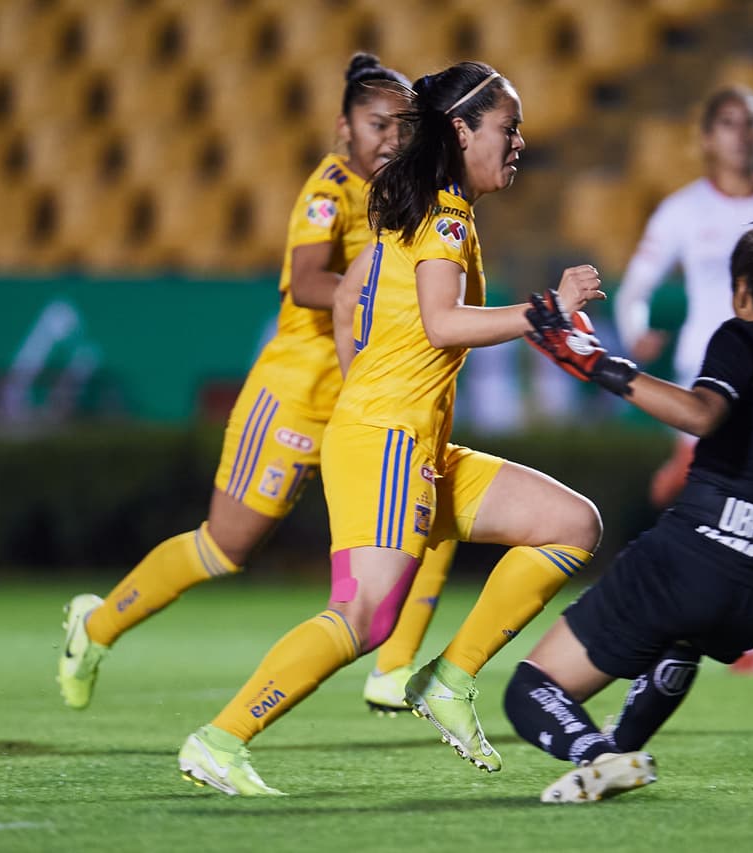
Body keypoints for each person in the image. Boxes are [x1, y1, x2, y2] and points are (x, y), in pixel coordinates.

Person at [176, 61, 607, 796]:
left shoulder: (426, 208)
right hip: (387, 441)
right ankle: (220, 738)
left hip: (411, 442)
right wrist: (546, 311)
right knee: (366, 617)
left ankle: (451, 677)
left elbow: (362, 307)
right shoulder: (442, 214)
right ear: (463, 130)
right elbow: (441, 323)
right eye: (509, 128)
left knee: (571, 524)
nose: (520, 142)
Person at [52, 54, 468, 710]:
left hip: (368, 402)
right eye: (376, 124)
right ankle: (96, 624)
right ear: (343, 128)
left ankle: (393, 671)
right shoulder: (329, 189)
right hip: (296, 397)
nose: (390, 137)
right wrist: (384, 298)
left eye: (402, 125)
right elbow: (306, 282)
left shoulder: (404, 192)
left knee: (441, 505)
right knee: (226, 546)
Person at [506, 213, 753, 803]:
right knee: (682, 637)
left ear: (743, 287)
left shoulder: (742, 337)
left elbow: (701, 414)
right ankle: (619, 752)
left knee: (530, 691)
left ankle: (598, 756)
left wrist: (596, 362)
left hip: (696, 558)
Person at [614, 86, 753, 681]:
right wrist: (636, 331)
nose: (739, 134)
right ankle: (671, 607)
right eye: (727, 123)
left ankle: (708, 625)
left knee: (728, 496)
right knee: (702, 490)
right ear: (707, 137)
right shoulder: (683, 210)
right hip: (706, 376)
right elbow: (636, 287)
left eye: (749, 123)